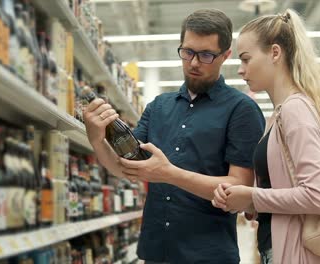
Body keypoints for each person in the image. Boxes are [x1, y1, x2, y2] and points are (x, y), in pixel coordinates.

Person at [83, 8, 265, 264]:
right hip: (156, 252)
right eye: (187, 52)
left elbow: (238, 188)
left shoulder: (241, 110)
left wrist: (168, 173)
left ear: (226, 55)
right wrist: (96, 139)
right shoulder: (158, 106)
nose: (193, 62)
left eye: (206, 55)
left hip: (208, 256)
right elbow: (126, 168)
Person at [211, 9, 320, 264]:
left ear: (275, 53)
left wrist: (252, 197)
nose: (241, 70)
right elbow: (284, 189)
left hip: (299, 253)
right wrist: (246, 202)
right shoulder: (279, 115)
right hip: (281, 249)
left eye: (246, 59)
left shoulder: (296, 110)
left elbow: (317, 196)